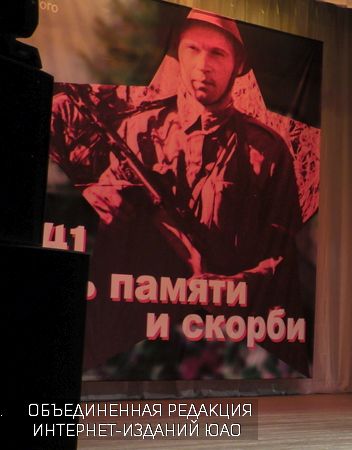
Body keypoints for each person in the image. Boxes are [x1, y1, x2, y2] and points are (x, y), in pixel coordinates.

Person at [49, 9, 307, 377]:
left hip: (227, 337)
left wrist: (233, 286)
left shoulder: (267, 150)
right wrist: (108, 211)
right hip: (141, 325)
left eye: (217, 53)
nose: (203, 65)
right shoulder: (137, 132)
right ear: (179, 55)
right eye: (192, 49)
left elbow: (283, 256)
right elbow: (101, 235)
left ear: (238, 64)